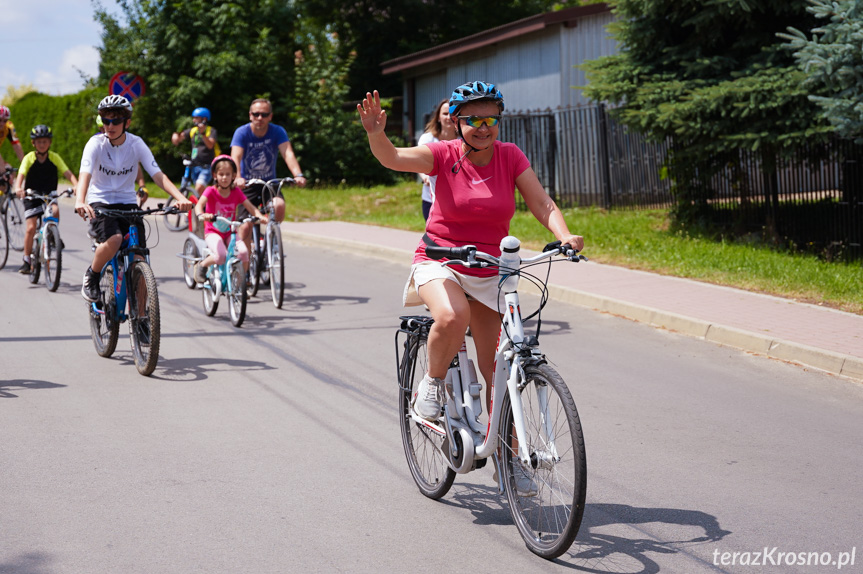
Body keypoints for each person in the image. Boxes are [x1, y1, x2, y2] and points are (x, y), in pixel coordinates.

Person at [357, 81, 584, 425]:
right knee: (451, 316)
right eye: (474, 120)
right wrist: (376, 134)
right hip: (440, 260)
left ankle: (510, 463)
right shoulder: (443, 154)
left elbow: (542, 202)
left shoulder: (510, 155)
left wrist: (564, 235)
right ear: (457, 121)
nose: (484, 128)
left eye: (491, 120)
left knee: (498, 371)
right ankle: (431, 385)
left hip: (490, 267)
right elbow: (393, 158)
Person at [75, 95, 192, 303]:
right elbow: (85, 175)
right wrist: (80, 200)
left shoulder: (136, 144)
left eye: (115, 121)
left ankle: (142, 319)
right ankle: (91, 276)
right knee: (115, 239)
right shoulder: (96, 144)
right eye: (106, 120)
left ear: (126, 123)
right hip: (100, 200)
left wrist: (181, 198)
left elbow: (158, 175)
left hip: (127, 201)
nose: (109, 126)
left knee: (139, 255)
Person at [230, 98, 306, 254]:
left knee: (279, 205)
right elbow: (235, 157)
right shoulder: (242, 132)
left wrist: (298, 174)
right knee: (245, 227)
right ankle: (247, 267)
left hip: (269, 183)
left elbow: (288, 153)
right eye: (256, 114)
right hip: (247, 184)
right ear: (250, 115)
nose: (260, 118)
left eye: (264, 115)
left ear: (270, 116)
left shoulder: (277, 131)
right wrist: (237, 177)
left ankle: (271, 238)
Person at [14, 125, 78, 274]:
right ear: (33, 143)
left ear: (49, 143)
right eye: (39, 142)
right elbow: (21, 174)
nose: (42, 144)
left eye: (45, 141)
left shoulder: (54, 157)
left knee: (54, 211)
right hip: (32, 195)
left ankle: (51, 235)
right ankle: (26, 260)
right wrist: (18, 187)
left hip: (49, 194)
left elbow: (67, 173)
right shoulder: (29, 157)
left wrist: (76, 186)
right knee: (30, 228)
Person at [193, 155, 267, 283]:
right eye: (221, 174)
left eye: (228, 174)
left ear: (234, 176)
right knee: (221, 256)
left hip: (229, 232)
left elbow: (250, 207)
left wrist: (260, 217)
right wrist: (202, 215)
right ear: (215, 175)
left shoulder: (236, 192)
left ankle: (241, 282)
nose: (224, 178)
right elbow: (199, 205)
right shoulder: (211, 191)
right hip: (213, 232)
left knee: (244, 253)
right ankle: (202, 265)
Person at [417, 99, 456, 221]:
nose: (449, 117)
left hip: (457, 199)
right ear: (438, 117)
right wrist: (425, 177)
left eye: (452, 113)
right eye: (445, 114)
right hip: (432, 199)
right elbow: (418, 162)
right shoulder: (428, 139)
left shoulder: (464, 140)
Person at [96, 115, 148, 206]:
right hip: (102, 197)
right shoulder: (97, 143)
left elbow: (135, 164)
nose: (108, 129)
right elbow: (86, 172)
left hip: (123, 198)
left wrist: (142, 186)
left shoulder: (126, 142)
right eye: (103, 128)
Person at [171, 107, 219, 197]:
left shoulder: (211, 131)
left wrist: (203, 134)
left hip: (206, 166)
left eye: (196, 118)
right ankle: (203, 206)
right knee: (196, 192)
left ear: (204, 119)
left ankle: (204, 204)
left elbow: (210, 145)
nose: (194, 120)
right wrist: (175, 136)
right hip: (194, 165)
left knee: (198, 188)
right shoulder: (193, 131)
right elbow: (180, 137)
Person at [0, 105, 24, 172]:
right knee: (2, 172)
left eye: (5, 120)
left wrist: (25, 165)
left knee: (10, 173)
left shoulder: (9, 126)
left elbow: (17, 146)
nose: (2, 123)